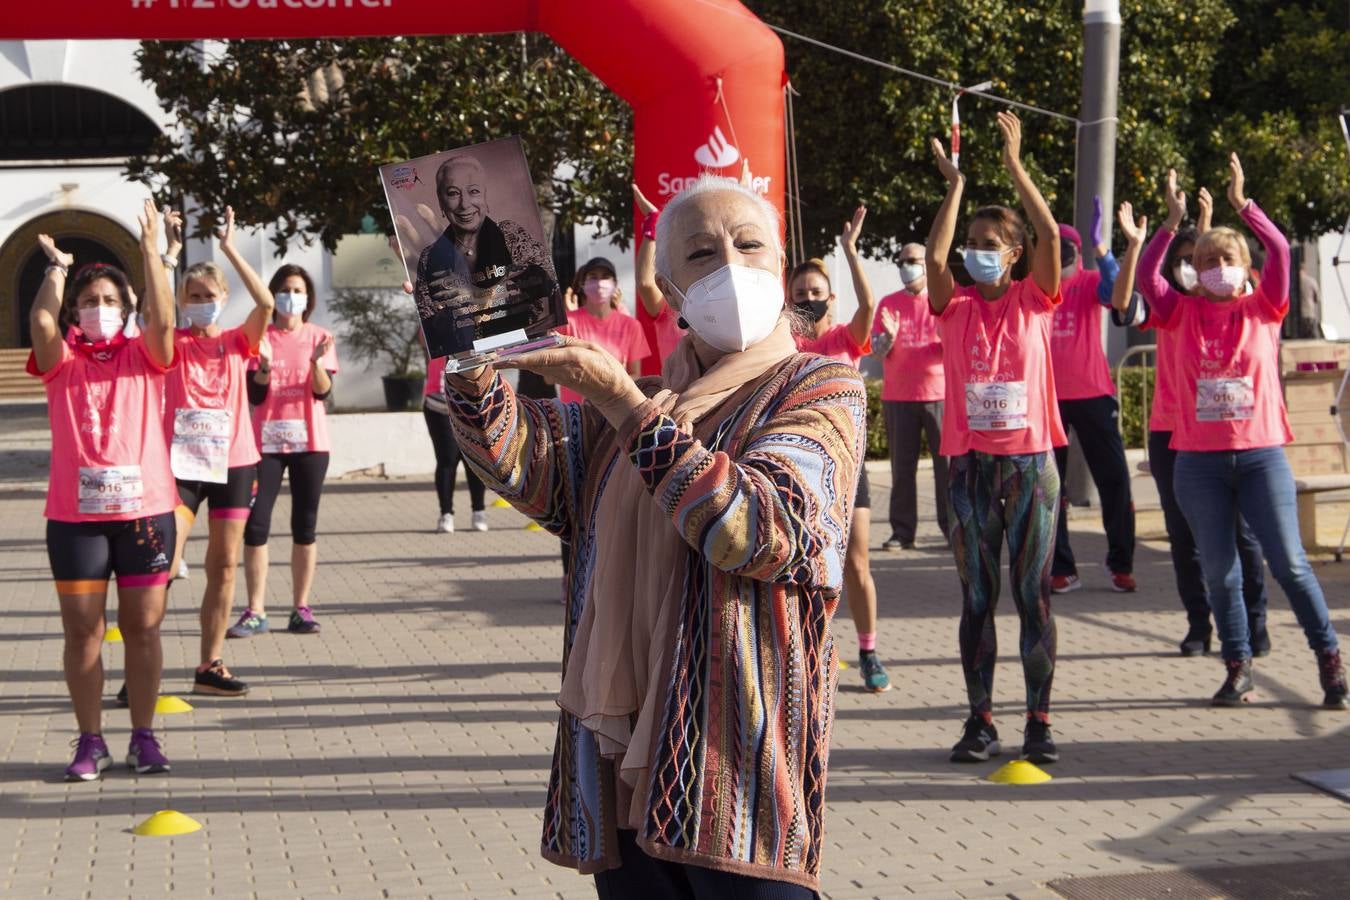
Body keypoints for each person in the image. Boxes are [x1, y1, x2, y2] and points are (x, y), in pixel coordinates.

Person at [435, 173, 863, 895]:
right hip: (626, 764)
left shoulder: (819, 387)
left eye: (748, 243)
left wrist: (621, 402)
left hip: (739, 775)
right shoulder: (641, 408)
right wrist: (473, 349)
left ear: (780, 267)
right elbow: (520, 463)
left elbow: (758, 529)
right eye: (701, 253)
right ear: (668, 288)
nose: (730, 263)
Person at [1126, 154, 1345, 708]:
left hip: (1261, 456)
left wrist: (1243, 203)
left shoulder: (1264, 306)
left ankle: (1330, 663)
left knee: (1291, 565)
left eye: (1226, 258)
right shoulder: (1180, 312)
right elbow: (1150, 277)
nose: (1216, 265)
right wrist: (1172, 222)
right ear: (1194, 269)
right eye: (1206, 260)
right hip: (1197, 463)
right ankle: (1237, 666)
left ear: (1244, 268)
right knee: (1219, 573)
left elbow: (1278, 248)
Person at [926, 112, 1066, 764]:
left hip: (1032, 467)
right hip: (970, 468)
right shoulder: (952, 306)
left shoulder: (1037, 298)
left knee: (1032, 596)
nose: (975, 250)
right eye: (972, 241)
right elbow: (933, 257)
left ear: (1013, 253)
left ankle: (1038, 721)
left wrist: (1015, 166)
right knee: (976, 599)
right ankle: (979, 719)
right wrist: (955, 186)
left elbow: (1046, 232)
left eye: (990, 241)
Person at [29, 199, 177, 780]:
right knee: (83, 632)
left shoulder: (145, 355)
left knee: (143, 627)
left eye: (111, 301)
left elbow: (164, 324)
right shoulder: (60, 361)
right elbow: (42, 323)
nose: (100, 310)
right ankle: (90, 741)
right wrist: (58, 269)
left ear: (127, 309)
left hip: (144, 516)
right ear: (75, 313)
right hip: (75, 518)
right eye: (90, 304)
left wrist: (150, 254)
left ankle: (145, 736)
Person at [1115, 175, 1269, 656]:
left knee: (1242, 534)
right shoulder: (1170, 308)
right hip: (1171, 432)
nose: (1192, 269)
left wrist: (1208, 224)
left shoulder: (1239, 299)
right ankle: (1199, 624)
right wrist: (1153, 236)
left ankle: (1254, 624)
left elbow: (1229, 266)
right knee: (1185, 535)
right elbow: (1127, 301)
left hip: (1230, 432)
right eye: (1183, 263)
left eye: (1197, 261)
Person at [156, 207, 273, 696]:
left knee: (224, 565)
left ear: (224, 299)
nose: (203, 302)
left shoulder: (235, 342)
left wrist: (228, 247)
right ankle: (145, 668)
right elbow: (155, 315)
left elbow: (266, 304)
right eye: (194, 296)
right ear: (183, 301)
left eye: (210, 295)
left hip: (234, 462)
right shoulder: (172, 342)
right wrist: (168, 257)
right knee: (160, 566)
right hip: (179, 465)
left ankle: (210, 664)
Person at [789, 208, 890, 694]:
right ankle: (810, 652)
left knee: (855, 562)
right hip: (798, 469)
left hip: (849, 468)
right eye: (800, 294)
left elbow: (868, 307)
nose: (809, 299)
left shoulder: (843, 338)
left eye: (816, 293)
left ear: (830, 299)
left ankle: (869, 651)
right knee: (806, 564)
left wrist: (850, 252)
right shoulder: (782, 345)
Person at [229, 265, 337, 639]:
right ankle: (255, 610)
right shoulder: (259, 337)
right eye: (285, 289)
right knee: (256, 524)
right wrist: (262, 370)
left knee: (304, 526)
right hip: (265, 447)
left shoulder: (320, 337)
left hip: (311, 445)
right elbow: (254, 396)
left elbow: (323, 393)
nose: (292, 296)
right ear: (272, 295)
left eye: (299, 290)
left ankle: (300, 608)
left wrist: (315, 362)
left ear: (308, 298)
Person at [1047, 203, 1137, 594]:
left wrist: (1104, 250)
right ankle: (1063, 568)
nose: (1061, 252)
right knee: (1051, 489)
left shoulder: (1087, 280)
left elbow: (1118, 297)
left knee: (1114, 480)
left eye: (1067, 245)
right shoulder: (1039, 286)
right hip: (1048, 400)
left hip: (1094, 394)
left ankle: (1121, 563)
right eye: (1055, 245)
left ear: (1077, 250)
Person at [412, 154, 558, 357]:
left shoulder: (511, 236)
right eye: (453, 193)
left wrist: (494, 290)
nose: (464, 204)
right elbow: (431, 330)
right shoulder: (429, 258)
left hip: (523, 350)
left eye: (473, 191)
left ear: (484, 196)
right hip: (471, 364)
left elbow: (549, 286)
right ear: (441, 202)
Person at [872, 242, 949, 552]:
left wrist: (947, 337)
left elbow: (955, 345)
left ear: (927, 264)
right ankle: (902, 533)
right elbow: (876, 352)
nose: (907, 266)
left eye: (913, 260)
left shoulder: (941, 301)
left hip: (939, 396)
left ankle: (951, 528)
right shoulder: (888, 304)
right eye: (902, 261)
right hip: (899, 397)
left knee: (946, 469)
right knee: (902, 470)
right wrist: (888, 337)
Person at [556, 256, 650, 404]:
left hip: (615, 413)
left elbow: (636, 374)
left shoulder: (631, 326)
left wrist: (606, 387)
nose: (599, 283)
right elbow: (550, 376)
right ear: (582, 284)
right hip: (575, 413)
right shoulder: (566, 323)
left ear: (615, 284)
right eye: (593, 277)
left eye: (605, 277)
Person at [422, 351, 488, 533]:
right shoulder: (436, 324)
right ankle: (446, 514)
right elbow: (423, 338)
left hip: (472, 400)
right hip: (440, 402)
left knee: (473, 459)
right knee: (447, 460)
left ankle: (478, 511)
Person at [633, 183, 686, 369]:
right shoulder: (670, 299)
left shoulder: (721, 291)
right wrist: (653, 222)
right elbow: (646, 283)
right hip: (678, 395)